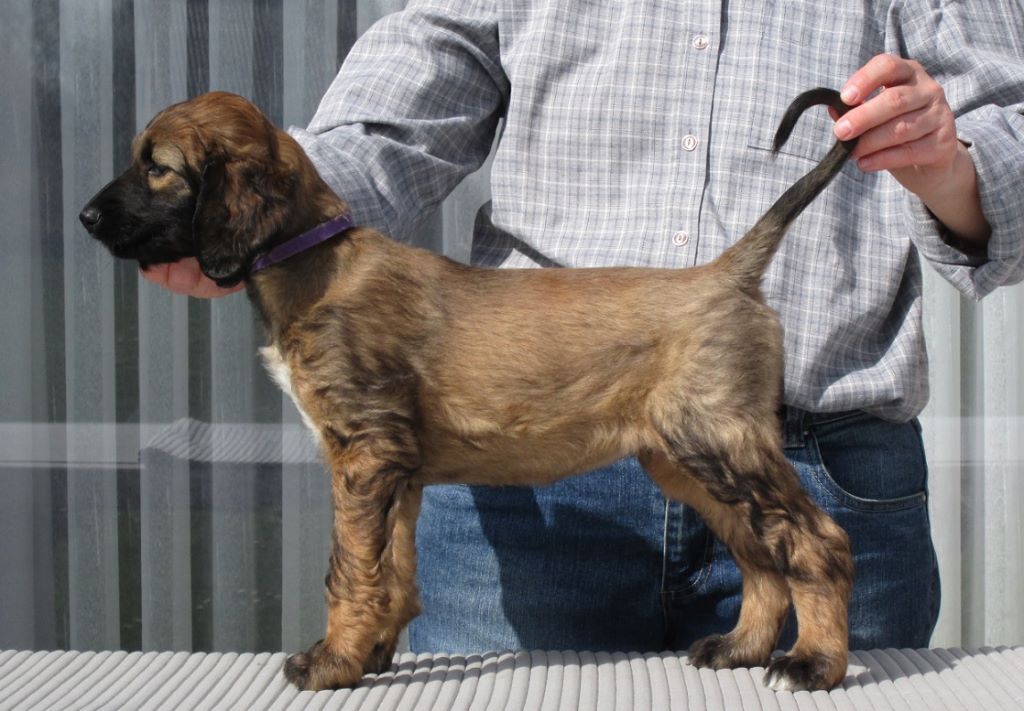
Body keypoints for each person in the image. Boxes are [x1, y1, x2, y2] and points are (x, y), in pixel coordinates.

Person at [145, 2, 1024, 655]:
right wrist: (263, 216)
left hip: (825, 458)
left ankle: (780, 610)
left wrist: (950, 160)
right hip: (523, 481)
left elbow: (1009, 130)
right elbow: (399, 111)